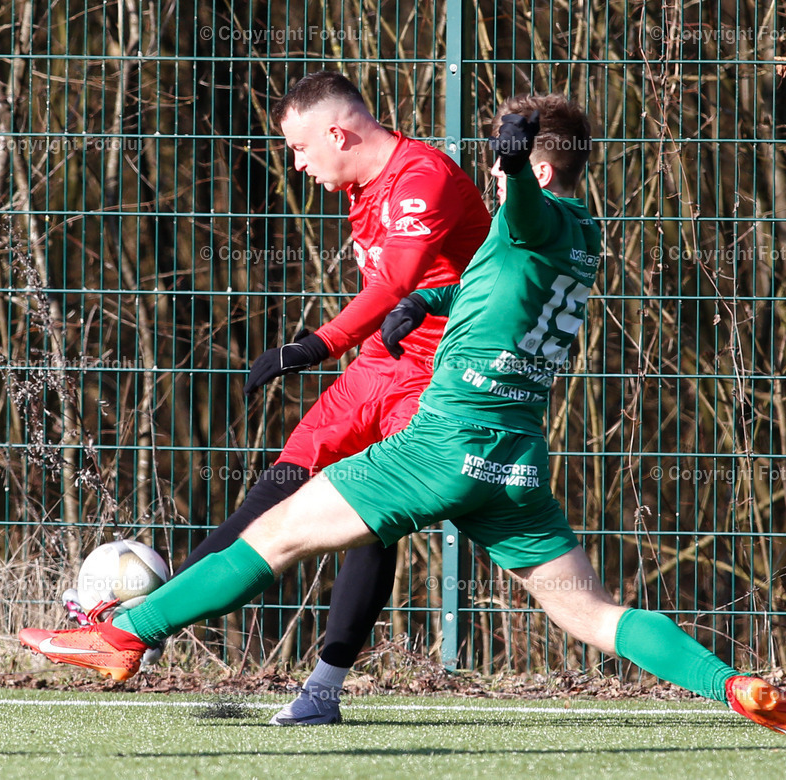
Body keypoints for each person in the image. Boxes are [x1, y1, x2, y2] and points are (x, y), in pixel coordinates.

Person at [20, 94, 786, 737]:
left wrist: (513, 165)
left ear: (535, 166)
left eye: (502, 159)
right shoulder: (584, 233)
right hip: (512, 469)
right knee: (589, 612)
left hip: (443, 445)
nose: (491, 169)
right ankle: (735, 686)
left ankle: (125, 635)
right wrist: (433, 298)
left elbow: (519, 214)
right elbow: (506, 274)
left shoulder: (538, 208)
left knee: (273, 535)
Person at [61, 70, 491, 725]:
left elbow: (399, 282)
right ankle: (130, 624)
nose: (295, 164)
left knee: (371, 523)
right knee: (280, 485)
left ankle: (321, 690)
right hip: (379, 367)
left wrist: (314, 345)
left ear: (338, 133)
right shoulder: (360, 187)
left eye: (299, 149)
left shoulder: (422, 179)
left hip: (440, 380)